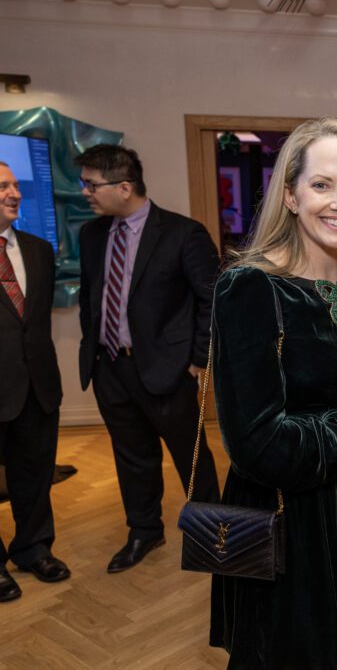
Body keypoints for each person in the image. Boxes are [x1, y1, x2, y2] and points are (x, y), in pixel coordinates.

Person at [209, 118, 337, 670]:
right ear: (290, 195)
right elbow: (255, 443)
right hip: (291, 524)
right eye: (322, 184)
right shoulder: (252, 287)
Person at [76, 144, 221, 573]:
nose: (85, 192)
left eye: (91, 185)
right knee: (132, 456)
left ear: (124, 187)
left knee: (190, 456)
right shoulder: (91, 235)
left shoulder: (182, 233)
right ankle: (144, 530)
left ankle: (211, 533)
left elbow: (212, 299)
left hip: (167, 370)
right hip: (109, 367)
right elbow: (90, 299)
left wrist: (197, 360)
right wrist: (94, 351)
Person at [0, 161, 68, 602]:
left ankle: (34, 548)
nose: (15, 193)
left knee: (35, 473)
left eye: (15, 185)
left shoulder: (39, 249)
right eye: (2, 187)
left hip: (37, 387)